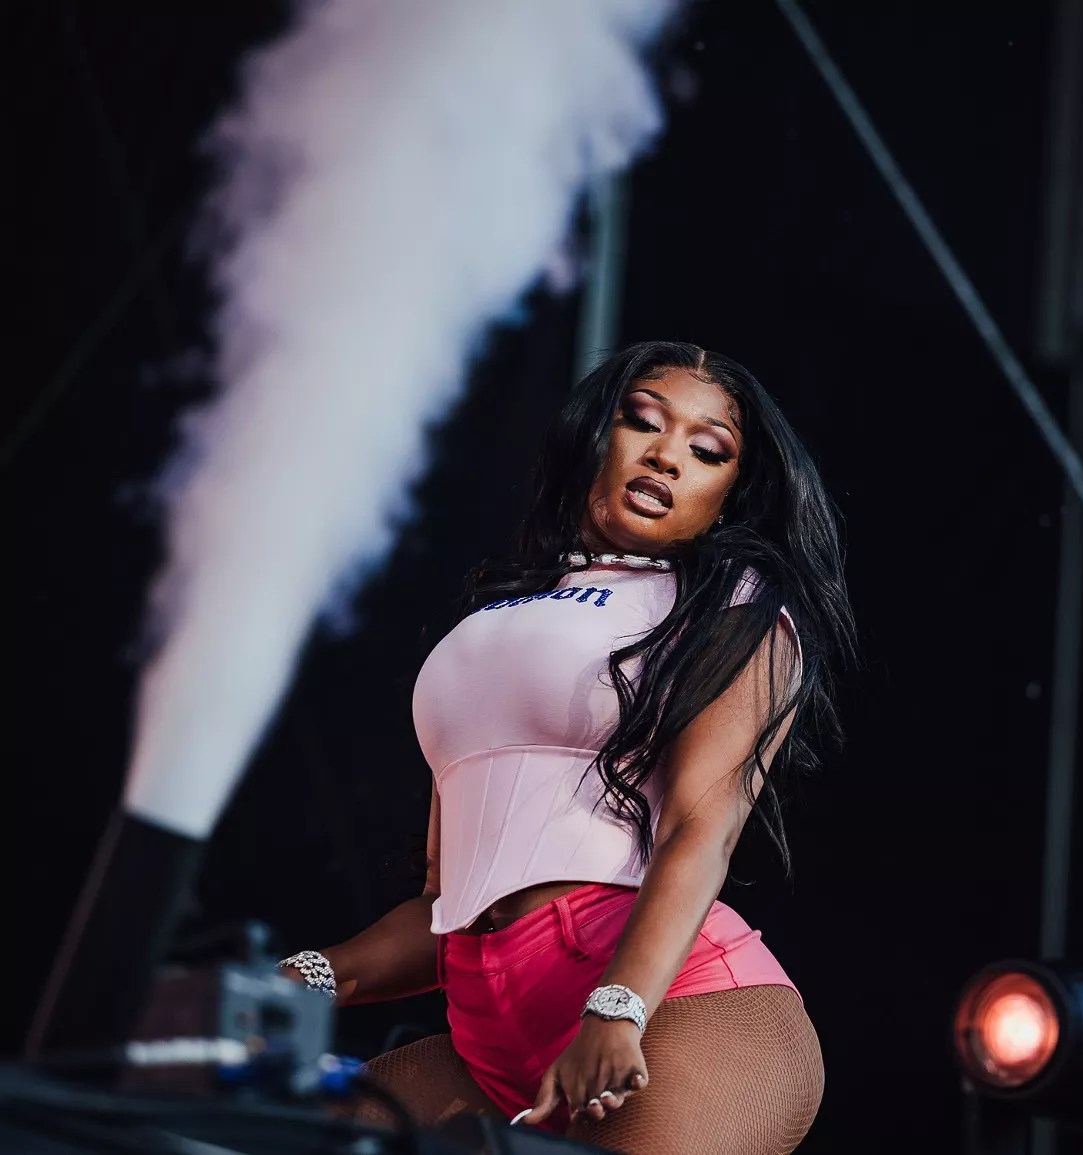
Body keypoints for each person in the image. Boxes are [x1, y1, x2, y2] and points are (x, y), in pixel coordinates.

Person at [279, 340, 856, 1153]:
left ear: (728, 495)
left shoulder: (732, 604)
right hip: (488, 1038)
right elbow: (447, 907)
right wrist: (302, 978)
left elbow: (702, 829)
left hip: (679, 1008)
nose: (667, 455)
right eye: (643, 421)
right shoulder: (490, 624)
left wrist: (618, 1009)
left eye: (707, 449)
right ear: (593, 434)